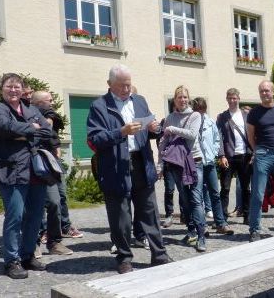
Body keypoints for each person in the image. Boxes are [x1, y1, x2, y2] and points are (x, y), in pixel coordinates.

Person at [87, 65, 172, 274]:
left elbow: (150, 130)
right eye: (122, 85)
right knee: (120, 216)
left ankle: (159, 254)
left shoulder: (139, 100)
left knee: (150, 212)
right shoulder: (99, 106)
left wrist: (155, 129)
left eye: (128, 84)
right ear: (109, 85)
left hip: (141, 163)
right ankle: (124, 258)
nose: (127, 89)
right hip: (116, 167)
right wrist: (121, 132)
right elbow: (95, 139)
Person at [0, 73, 52, 279]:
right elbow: (4, 127)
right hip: (11, 170)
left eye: (17, 87)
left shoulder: (32, 109)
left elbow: (48, 131)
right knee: (14, 216)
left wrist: (24, 133)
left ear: (23, 89)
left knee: (35, 216)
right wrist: (31, 129)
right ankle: (11, 261)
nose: (13, 90)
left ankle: (27, 255)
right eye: (9, 86)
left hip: (36, 171)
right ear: (2, 89)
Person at [157, 85, 207, 252]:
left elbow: (192, 134)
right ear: (175, 100)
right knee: (185, 201)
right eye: (179, 97)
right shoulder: (170, 117)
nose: (183, 100)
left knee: (195, 199)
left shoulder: (195, 115)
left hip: (195, 161)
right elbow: (164, 141)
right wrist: (160, 162)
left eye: (185, 97)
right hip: (177, 163)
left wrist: (173, 130)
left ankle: (201, 236)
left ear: (189, 98)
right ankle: (191, 231)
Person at [247, 80, 274, 242]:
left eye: (267, 90)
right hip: (262, 155)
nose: (264, 93)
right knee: (258, 195)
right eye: (261, 91)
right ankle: (254, 229)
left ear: (273, 92)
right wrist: (258, 150)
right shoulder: (254, 113)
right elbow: (250, 136)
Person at [30, 91, 74, 257]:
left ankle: (54, 242)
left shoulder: (49, 115)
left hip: (49, 163)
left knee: (55, 201)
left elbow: (49, 132)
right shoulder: (28, 113)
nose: (52, 103)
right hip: (32, 162)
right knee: (35, 206)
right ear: (39, 103)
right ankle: (33, 242)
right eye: (49, 100)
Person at [192, 97, 234, 235]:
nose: (200, 112)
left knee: (215, 193)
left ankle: (220, 223)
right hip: (196, 162)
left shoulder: (210, 122)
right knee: (198, 196)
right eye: (197, 110)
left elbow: (217, 138)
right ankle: (201, 225)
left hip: (209, 162)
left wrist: (214, 152)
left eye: (202, 110)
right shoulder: (190, 122)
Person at [217, 89, 252, 224]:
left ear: (239, 99)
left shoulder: (246, 115)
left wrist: (253, 152)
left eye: (235, 98)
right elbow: (219, 137)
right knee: (225, 188)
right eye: (230, 98)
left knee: (245, 187)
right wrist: (221, 155)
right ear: (227, 99)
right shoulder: (222, 117)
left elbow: (252, 133)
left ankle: (247, 215)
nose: (232, 101)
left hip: (244, 155)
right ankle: (223, 217)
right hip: (228, 156)